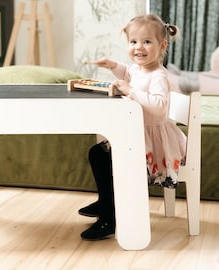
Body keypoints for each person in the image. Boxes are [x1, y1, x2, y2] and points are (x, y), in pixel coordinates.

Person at [79, 14, 187, 241]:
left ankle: (109, 219)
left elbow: (159, 106)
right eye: (133, 42)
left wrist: (131, 91)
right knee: (97, 152)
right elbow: (127, 72)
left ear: (162, 45)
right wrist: (113, 66)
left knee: (106, 159)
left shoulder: (158, 76)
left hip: (152, 143)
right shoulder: (138, 69)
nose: (139, 47)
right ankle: (106, 201)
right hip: (136, 135)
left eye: (147, 42)